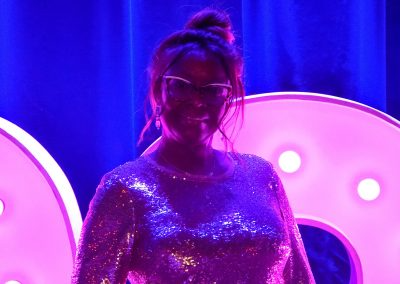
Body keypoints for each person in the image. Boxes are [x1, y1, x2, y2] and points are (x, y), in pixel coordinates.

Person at [72, 8, 315, 284]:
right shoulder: (124, 190)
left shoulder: (262, 177)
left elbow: (299, 279)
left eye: (212, 89)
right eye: (182, 86)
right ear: (157, 89)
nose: (197, 101)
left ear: (228, 97)